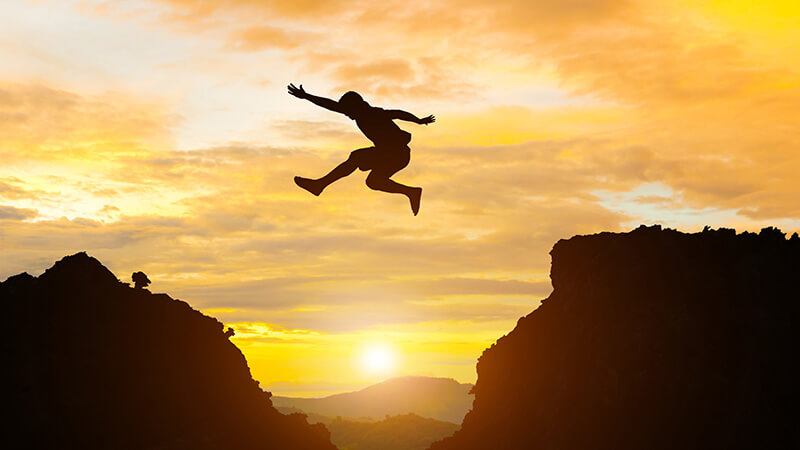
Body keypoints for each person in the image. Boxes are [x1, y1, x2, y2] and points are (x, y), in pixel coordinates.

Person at [288, 83, 434, 215]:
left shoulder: (373, 113)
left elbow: (397, 113)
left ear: (356, 106)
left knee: (356, 157)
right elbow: (331, 105)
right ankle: (411, 192)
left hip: (396, 153)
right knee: (374, 182)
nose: (347, 115)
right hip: (393, 156)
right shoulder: (360, 114)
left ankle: (319, 185)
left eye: (348, 111)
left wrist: (418, 120)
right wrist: (307, 96)